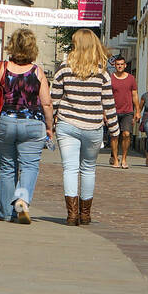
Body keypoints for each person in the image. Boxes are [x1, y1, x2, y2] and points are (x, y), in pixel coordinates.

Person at [0, 28, 55, 223]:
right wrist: (49, 127)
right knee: (29, 166)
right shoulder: (37, 71)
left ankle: (5, 213)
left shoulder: (2, 67)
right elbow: (46, 103)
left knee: (7, 167)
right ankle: (22, 199)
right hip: (33, 123)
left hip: (5, 121)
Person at [51, 29, 120, 226]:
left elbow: (54, 98)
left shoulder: (64, 68)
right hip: (93, 125)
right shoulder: (102, 73)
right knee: (88, 169)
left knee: (70, 169)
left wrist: (49, 123)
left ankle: (72, 215)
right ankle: (85, 214)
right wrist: (114, 130)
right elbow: (109, 103)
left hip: (67, 123)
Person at [108, 55, 139, 169]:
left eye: (122, 64)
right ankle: (115, 159)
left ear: (125, 65)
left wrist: (137, 111)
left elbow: (134, 95)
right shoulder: (111, 78)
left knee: (126, 134)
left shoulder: (131, 78)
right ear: (115, 66)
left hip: (127, 111)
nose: (120, 66)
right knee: (114, 136)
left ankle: (124, 158)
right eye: (118, 64)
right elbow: (106, 96)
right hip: (113, 111)